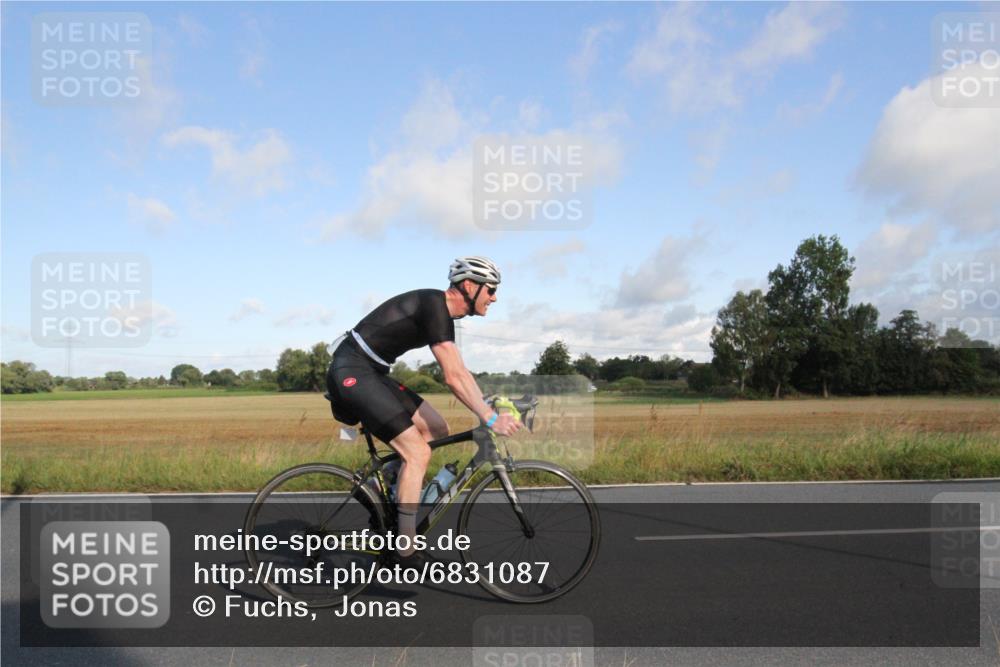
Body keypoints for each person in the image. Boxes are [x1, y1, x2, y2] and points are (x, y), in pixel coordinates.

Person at [325, 256, 522, 564]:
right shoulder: (435, 305)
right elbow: (453, 377)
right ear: (470, 286)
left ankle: (385, 499)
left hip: (371, 372)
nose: (494, 298)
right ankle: (405, 548)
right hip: (351, 371)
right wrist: (491, 418)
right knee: (417, 453)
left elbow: (459, 369)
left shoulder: (440, 313)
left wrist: (487, 401)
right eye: (492, 290)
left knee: (435, 428)